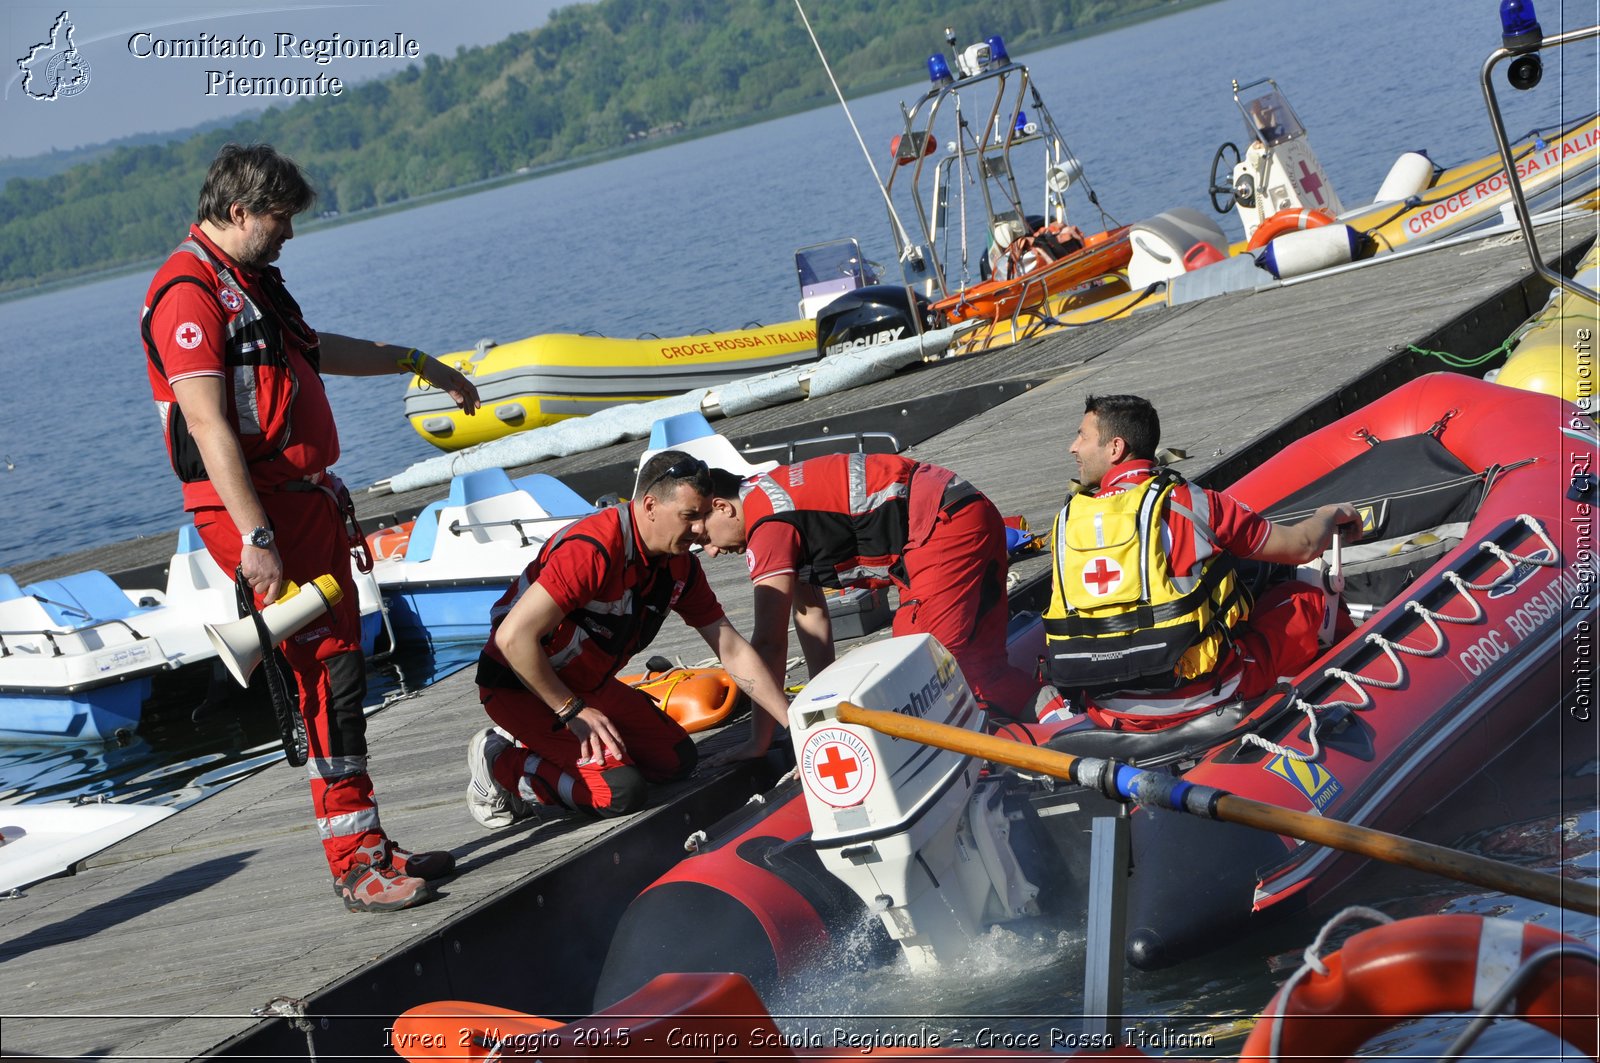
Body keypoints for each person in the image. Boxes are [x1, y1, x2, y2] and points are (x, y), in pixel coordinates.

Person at [140, 143, 481, 913]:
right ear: (238, 212)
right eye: (279, 218)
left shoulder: (251, 283)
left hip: (305, 501)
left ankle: (368, 836)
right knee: (323, 674)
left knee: (343, 669)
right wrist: (256, 536)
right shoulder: (188, 294)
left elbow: (316, 353)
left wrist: (417, 361)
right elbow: (207, 422)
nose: (289, 233)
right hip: (260, 513)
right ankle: (355, 860)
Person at [468, 451, 794, 825]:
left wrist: (794, 727)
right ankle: (502, 765)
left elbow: (731, 647)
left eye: (703, 516)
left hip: (589, 685)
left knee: (676, 762)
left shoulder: (680, 566)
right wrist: (572, 711)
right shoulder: (592, 549)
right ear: (651, 505)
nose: (700, 530)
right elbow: (512, 639)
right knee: (621, 792)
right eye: (689, 516)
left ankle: (565, 752)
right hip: (522, 687)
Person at [1042, 394, 1362, 731]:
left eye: (1082, 436)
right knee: (1305, 599)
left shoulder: (1066, 522)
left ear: (1115, 448)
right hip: (1200, 697)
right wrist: (1330, 513)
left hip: (1106, 708)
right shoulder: (1193, 502)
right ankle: (1355, 684)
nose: (1072, 447)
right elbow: (1303, 546)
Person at [701, 453, 1041, 761]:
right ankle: (1061, 721)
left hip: (941, 529)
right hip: (961, 507)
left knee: (916, 671)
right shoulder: (773, 494)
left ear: (722, 507)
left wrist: (781, 737)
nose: (711, 551)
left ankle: (977, 763)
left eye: (704, 538)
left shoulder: (767, 526)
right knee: (982, 666)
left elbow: (770, 644)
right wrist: (827, 716)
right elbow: (811, 615)